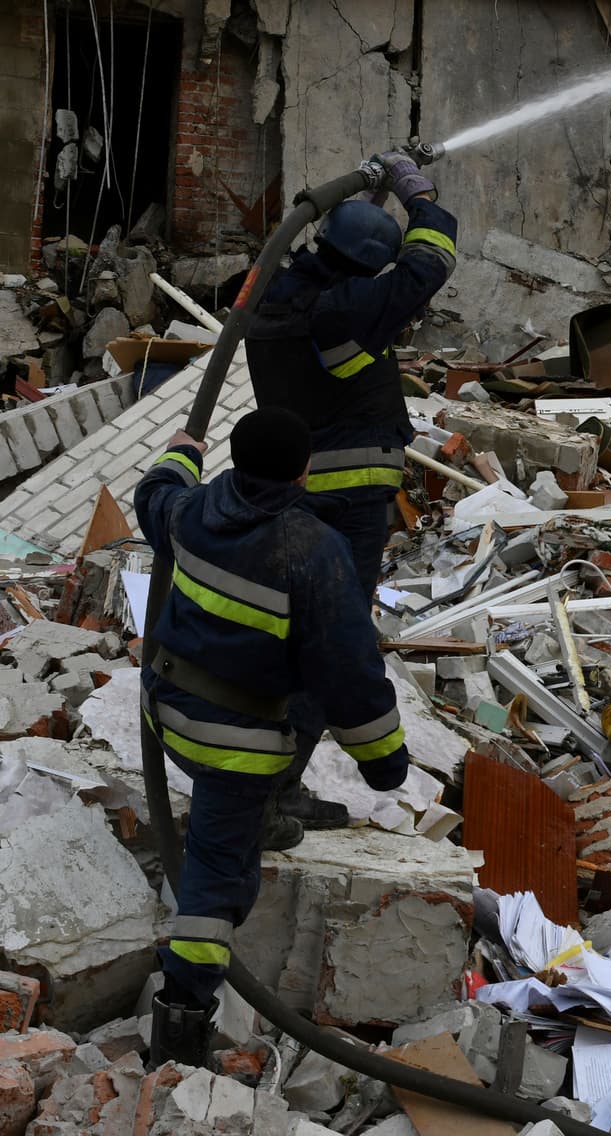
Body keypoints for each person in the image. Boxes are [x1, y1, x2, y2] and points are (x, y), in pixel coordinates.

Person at [137, 408, 410, 1068]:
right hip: (233, 747)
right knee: (215, 881)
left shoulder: (194, 509)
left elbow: (153, 494)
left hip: (166, 713)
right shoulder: (312, 552)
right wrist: (385, 763)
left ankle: (257, 818)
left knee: (229, 825)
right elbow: (349, 673)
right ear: (304, 472)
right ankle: (180, 1029)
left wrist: (181, 451)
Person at [244, 151, 456, 835]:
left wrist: (370, 201)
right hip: (346, 503)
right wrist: (418, 196)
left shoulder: (281, 292)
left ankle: (264, 781)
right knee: (327, 643)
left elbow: (353, 274)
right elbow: (429, 265)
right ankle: (274, 795)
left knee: (287, 638)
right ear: (364, 270)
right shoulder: (344, 309)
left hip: (294, 493)